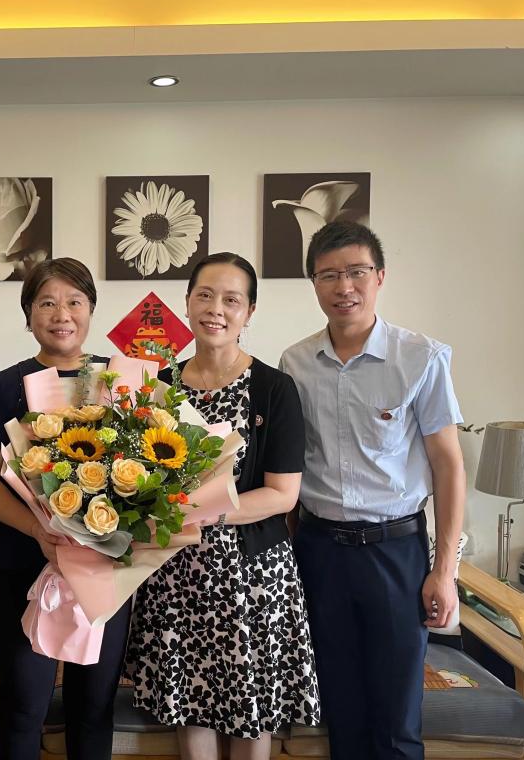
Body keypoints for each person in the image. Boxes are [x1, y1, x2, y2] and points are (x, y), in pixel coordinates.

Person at [280, 221, 466, 760]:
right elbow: (293, 466)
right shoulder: (294, 363)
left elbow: (448, 466)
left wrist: (444, 571)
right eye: (328, 275)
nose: (344, 287)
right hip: (318, 550)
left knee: (397, 716)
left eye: (357, 272)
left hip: (395, 550)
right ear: (314, 284)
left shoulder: (421, 357)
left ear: (380, 276)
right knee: (340, 706)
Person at [126, 253, 320, 760]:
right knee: (190, 705)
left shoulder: (274, 389)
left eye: (232, 300)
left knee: (249, 709)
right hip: (177, 575)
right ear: (187, 302)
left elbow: (282, 494)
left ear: (249, 312)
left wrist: (200, 511)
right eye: (206, 295)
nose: (216, 309)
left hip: (251, 577)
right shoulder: (159, 387)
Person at [0, 258, 128, 760]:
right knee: (24, 703)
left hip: (104, 566)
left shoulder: (118, 381)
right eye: (47, 303)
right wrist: (38, 530)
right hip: (24, 561)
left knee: (94, 704)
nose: (62, 314)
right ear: (29, 313)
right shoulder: (4, 386)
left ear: (91, 309)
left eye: (75, 301)